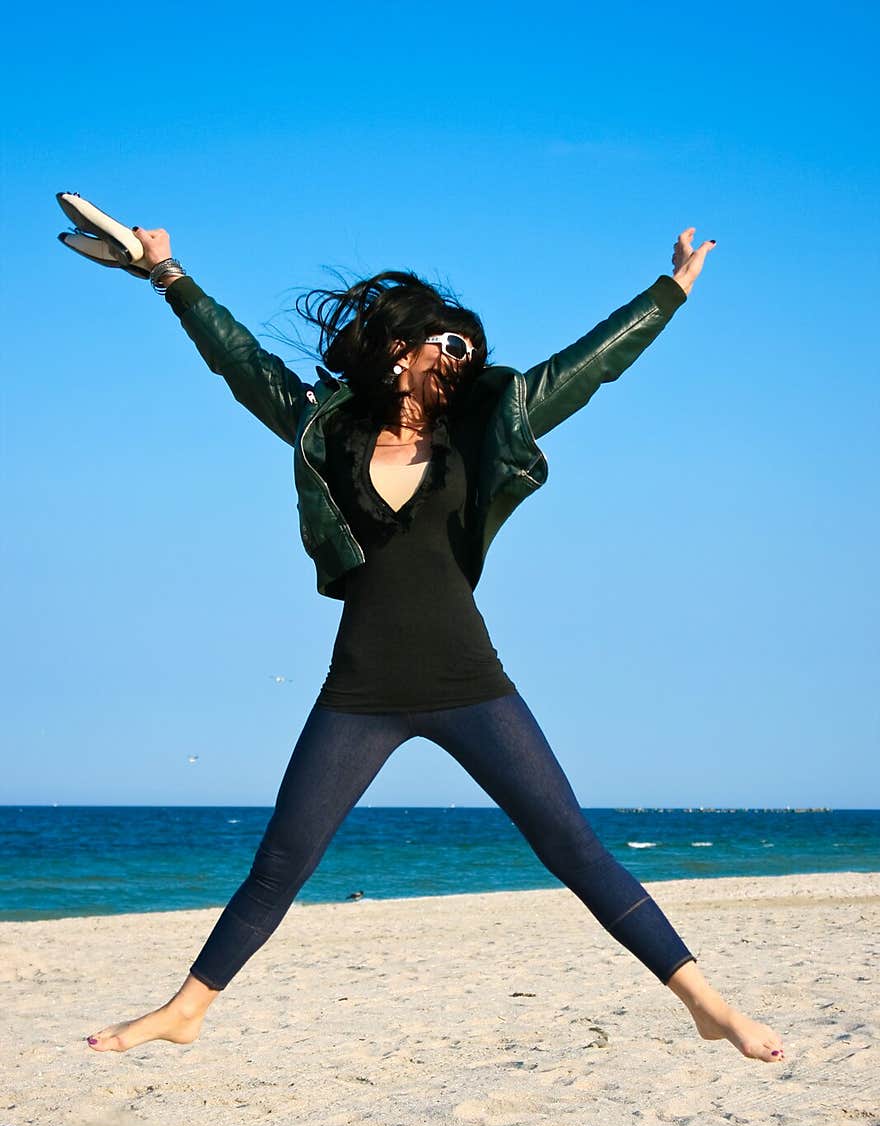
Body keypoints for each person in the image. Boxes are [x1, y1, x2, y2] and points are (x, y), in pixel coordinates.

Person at [86, 226, 785, 1064]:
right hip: (362, 689)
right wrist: (167, 273)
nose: (464, 355)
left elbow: (587, 367)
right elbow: (242, 364)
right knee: (283, 860)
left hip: (470, 680)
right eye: (450, 341)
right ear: (402, 349)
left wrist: (670, 291)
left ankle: (707, 1003)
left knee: (573, 848)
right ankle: (187, 1008)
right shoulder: (328, 428)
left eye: (472, 348)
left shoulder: (483, 431)